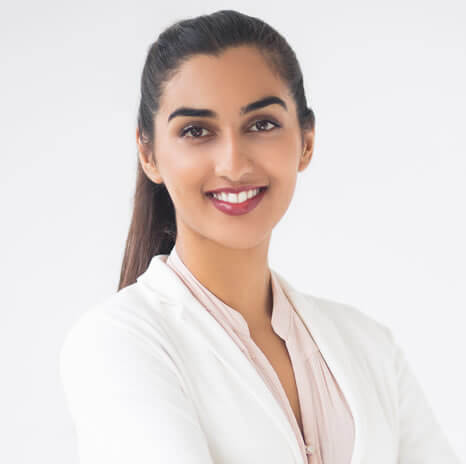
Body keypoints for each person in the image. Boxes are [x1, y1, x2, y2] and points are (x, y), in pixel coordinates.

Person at [59, 9, 460, 464]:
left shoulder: (370, 347)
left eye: (262, 124)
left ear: (306, 141)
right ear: (148, 154)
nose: (233, 163)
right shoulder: (116, 344)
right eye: (196, 131)